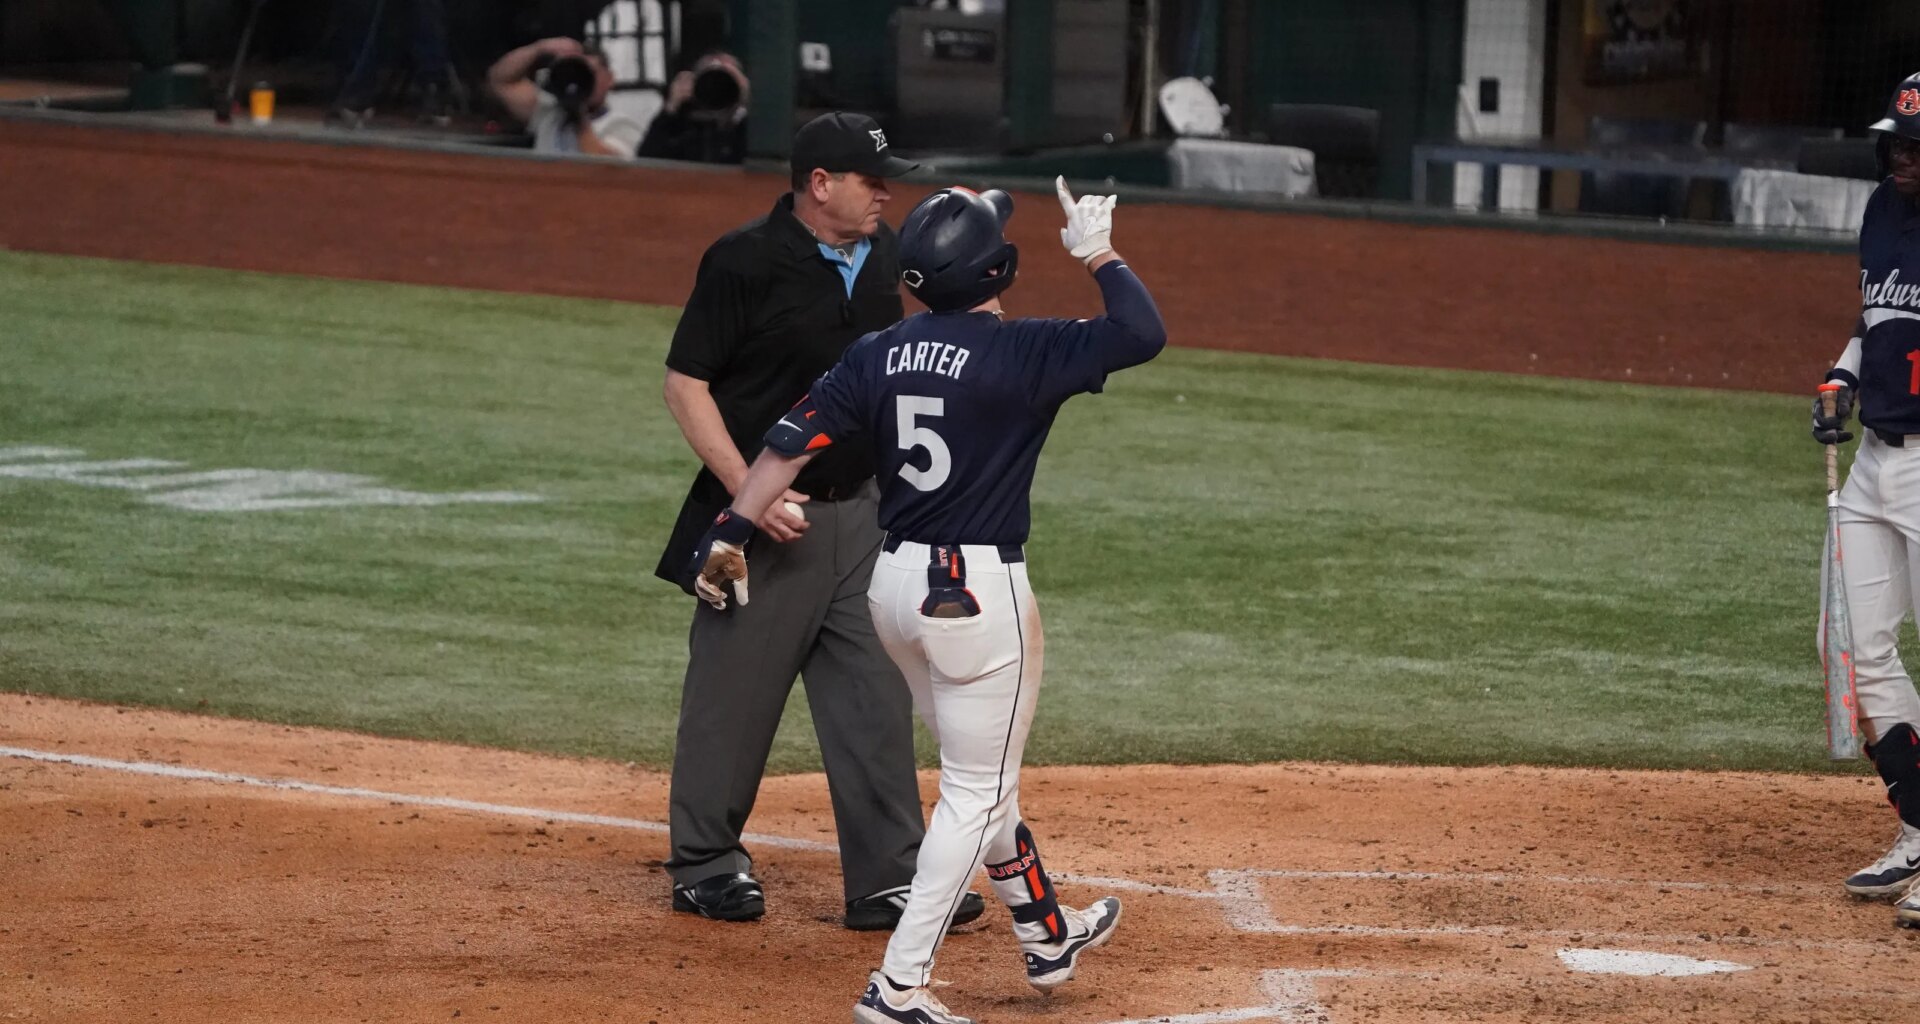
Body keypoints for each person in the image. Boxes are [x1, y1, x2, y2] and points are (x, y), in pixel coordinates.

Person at [688, 177, 1165, 1023]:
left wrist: (730, 530)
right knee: (973, 792)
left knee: (987, 778)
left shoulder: (877, 350)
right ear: (1001, 270)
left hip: (894, 587)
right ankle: (898, 985)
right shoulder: (1027, 352)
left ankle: (1046, 930)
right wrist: (1097, 251)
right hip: (977, 595)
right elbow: (1141, 331)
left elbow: (789, 441)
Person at [656, 112, 984, 932]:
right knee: (732, 698)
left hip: (865, 515)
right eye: (872, 180)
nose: (886, 192)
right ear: (819, 184)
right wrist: (750, 496)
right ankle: (705, 862)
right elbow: (685, 385)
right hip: (761, 525)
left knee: (874, 697)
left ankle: (887, 877)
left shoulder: (887, 256)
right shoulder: (744, 261)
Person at [1811, 71, 1920, 931]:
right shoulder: (1883, 208)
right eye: (1898, 142)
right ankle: (1918, 826)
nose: (1905, 157)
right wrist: (1843, 374)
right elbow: (1874, 315)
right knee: (1848, 642)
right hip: (1875, 461)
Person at [487, 37, 644, 158]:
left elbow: (606, 167)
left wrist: (578, 113)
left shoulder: (621, 124)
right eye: (574, 75)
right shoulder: (548, 112)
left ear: (609, 78)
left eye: (587, 74)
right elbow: (501, 80)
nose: (579, 81)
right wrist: (540, 48)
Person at [638, 51, 749, 164]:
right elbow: (647, 161)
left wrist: (750, 101)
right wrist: (671, 107)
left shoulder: (749, 126)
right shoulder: (684, 127)